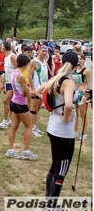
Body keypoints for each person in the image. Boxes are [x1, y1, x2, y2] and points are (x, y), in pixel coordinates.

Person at [36, 52, 80, 197]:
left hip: (53, 126)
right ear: (74, 66)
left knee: (55, 165)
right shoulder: (68, 81)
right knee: (61, 169)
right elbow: (68, 105)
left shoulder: (56, 78)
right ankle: (52, 206)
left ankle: (48, 200)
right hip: (63, 131)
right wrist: (65, 117)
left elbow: (38, 91)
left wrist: (53, 108)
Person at [5, 54, 38, 160]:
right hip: (20, 103)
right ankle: (26, 151)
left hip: (14, 101)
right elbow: (28, 94)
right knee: (29, 126)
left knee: (14, 126)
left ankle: (10, 149)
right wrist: (29, 92)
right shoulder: (21, 76)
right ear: (26, 64)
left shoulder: (14, 73)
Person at [28, 45, 50, 137]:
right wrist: (32, 88)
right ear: (38, 51)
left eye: (46, 51)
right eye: (43, 51)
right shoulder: (34, 61)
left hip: (43, 89)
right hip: (36, 88)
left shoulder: (45, 60)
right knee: (33, 108)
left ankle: (34, 126)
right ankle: (31, 128)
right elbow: (29, 75)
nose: (44, 53)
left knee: (38, 108)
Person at [0, 41, 17, 129]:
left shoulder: (12, 56)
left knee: (6, 100)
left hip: (14, 83)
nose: (0, 48)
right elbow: (7, 72)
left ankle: (5, 121)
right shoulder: (6, 57)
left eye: (1, 47)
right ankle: (11, 120)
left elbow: (19, 69)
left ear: (4, 48)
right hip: (9, 82)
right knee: (9, 102)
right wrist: (3, 83)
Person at [72, 53, 91, 140]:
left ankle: (84, 133)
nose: (79, 60)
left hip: (82, 93)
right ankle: (75, 131)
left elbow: (89, 83)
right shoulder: (74, 69)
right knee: (75, 114)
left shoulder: (86, 70)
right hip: (74, 93)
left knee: (82, 114)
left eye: (81, 58)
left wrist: (87, 93)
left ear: (84, 60)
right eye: (78, 58)